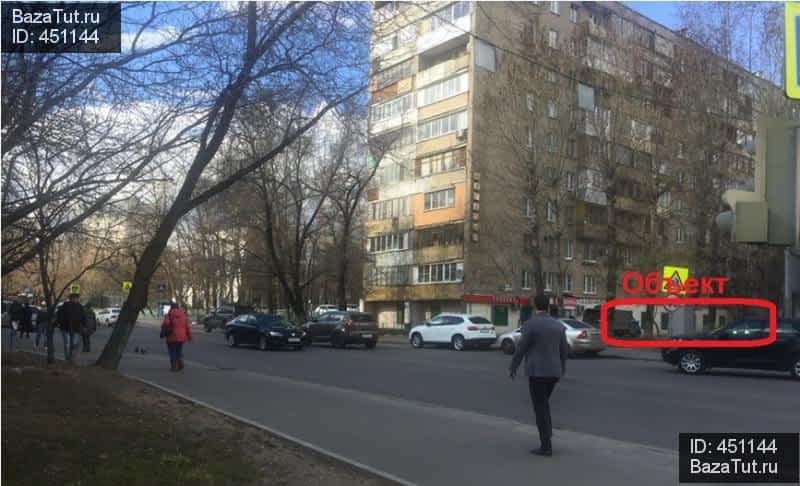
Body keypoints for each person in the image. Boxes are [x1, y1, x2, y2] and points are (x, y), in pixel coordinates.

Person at [509, 294, 569, 457]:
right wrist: (562, 368)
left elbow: (521, 348)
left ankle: (546, 445)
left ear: (535, 307)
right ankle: (547, 435)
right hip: (554, 372)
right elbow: (564, 350)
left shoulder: (530, 325)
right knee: (544, 404)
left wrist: (513, 367)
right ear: (548, 307)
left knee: (540, 406)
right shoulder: (558, 325)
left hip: (537, 372)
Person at [161, 302, 192, 372]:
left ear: (171, 307)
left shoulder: (169, 314)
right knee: (179, 350)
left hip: (172, 336)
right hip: (182, 337)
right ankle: (181, 363)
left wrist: (164, 330)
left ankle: (174, 366)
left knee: (172, 351)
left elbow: (166, 323)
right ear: (178, 307)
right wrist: (190, 337)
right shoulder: (183, 315)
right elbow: (187, 327)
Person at [56, 293, 86, 363]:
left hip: (76, 329)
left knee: (74, 344)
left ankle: (71, 357)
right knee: (67, 344)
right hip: (65, 328)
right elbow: (59, 315)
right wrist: (58, 323)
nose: (76, 299)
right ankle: (67, 359)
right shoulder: (65, 305)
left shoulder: (80, 307)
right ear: (71, 298)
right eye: (75, 298)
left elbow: (83, 317)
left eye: (77, 298)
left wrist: (84, 325)